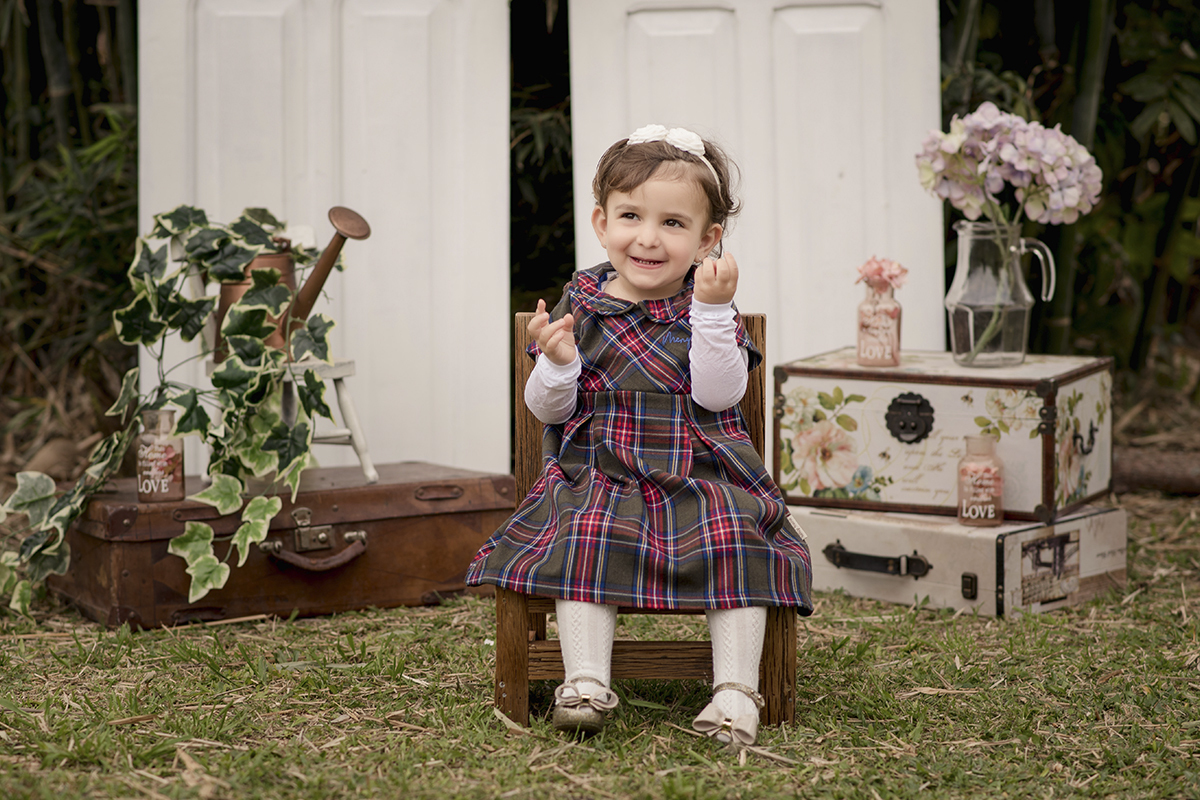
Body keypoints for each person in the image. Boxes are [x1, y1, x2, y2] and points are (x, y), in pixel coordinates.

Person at [466, 124, 813, 746]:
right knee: (583, 532)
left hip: (701, 471)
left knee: (736, 533)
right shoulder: (582, 304)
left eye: (674, 224)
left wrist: (710, 312)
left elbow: (718, 395)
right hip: (600, 471)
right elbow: (547, 408)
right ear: (601, 222)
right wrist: (559, 363)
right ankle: (586, 683)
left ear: (709, 239)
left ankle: (736, 693)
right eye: (630, 216)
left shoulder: (709, 310)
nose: (648, 238)